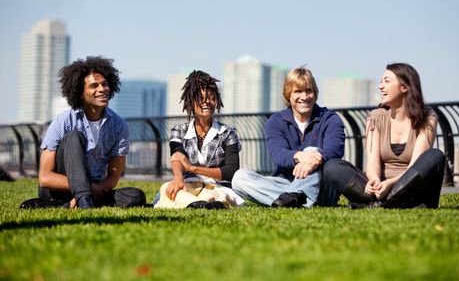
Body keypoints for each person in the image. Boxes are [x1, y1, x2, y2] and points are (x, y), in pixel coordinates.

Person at [21, 56, 146, 209]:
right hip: (58, 190)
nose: (102, 89)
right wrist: (85, 189)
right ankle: (84, 202)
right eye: (94, 86)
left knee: (136, 196)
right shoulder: (63, 121)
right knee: (74, 136)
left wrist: (89, 189)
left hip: (94, 189)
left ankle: (70, 204)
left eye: (104, 84)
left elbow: (113, 177)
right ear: (80, 92)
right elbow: (45, 178)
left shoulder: (119, 125)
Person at [324, 63, 446, 209]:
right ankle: (384, 203)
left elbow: (415, 166)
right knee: (332, 166)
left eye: (387, 81)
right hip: (380, 189)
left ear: (405, 87)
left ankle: (379, 204)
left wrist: (391, 184)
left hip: (413, 191)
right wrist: (375, 179)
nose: (381, 86)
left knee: (435, 156)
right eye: (381, 81)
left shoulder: (427, 118)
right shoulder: (375, 118)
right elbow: (372, 162)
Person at [232, 67, 345, 208]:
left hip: (322, 185)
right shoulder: (276, 121)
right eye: (298, 91)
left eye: (308, 91)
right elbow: (278, 154)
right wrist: (300, 156)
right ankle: (298, 199)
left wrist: (313, 159)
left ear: (315, 94)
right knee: (239, 178)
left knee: (312, 150)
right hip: (286, 181)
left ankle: (296, 197)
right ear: (288, 96)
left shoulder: (330, 119)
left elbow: (336, 150)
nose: (304, 97)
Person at [154, 70, 243, 209]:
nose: (207, 102)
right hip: (189, 184)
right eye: (201, 98)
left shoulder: (228, 133)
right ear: (190, 101)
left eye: (212, 97)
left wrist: (192, 168)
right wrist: (178, 179)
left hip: (217, 186)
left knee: (218, 195)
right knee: (167, 188)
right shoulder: (179, 130)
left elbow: (231, 171)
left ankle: (193, 203)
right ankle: (197, 204)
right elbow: (177, 156)